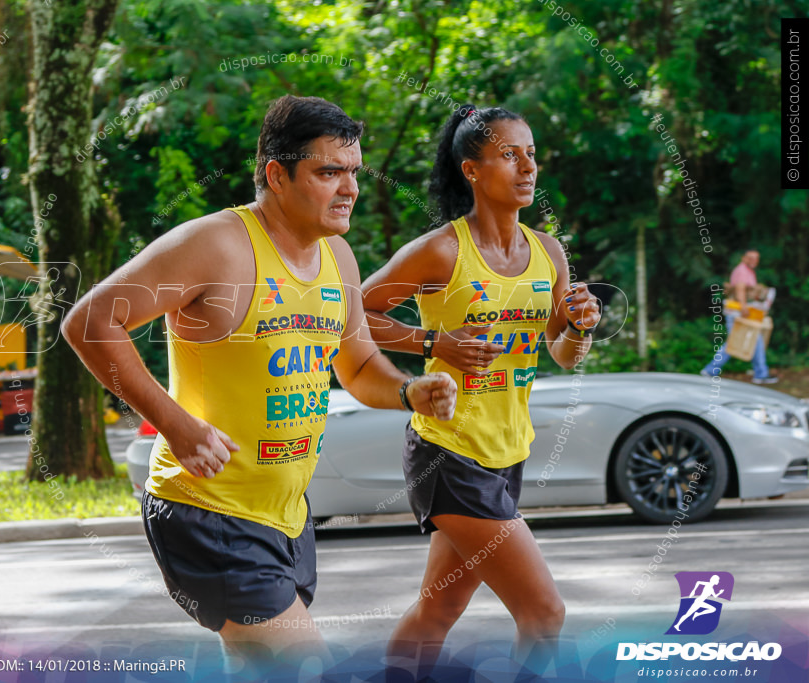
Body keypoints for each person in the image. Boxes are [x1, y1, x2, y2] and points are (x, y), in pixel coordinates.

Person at [60, 95, 457, 673]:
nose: (348, 188)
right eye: (328, 172)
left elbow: (359, 364)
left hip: (288, 517)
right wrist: (176, 425)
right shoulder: (217, 244)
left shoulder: (337, 259)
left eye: (353, 172)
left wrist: (407, 391)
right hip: (209, 509)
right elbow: (90, 321)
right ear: (276, 173)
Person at [361, 104, 601, 676]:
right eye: (509, 154)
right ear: (472, 170)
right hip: (448, 451)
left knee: (439, 608)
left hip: (506, 451)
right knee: (544, 613)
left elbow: (562, 354)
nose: (527, 167)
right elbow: (352, 312)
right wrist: (431, 340)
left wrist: (578, 327)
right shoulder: (442, 250)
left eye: (532, 154)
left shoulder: (548, 252)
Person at [701, 249, 778, 384]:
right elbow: (740, 289)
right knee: (734, 343)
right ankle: (710, 370)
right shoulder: (742, 270)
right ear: (744, 258)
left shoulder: (749, 271)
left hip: (743, 311)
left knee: (755, 340)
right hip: (738, 312)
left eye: (756, 258)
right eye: (751, 258)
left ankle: (761, 373)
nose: (754, 261)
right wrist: (743, 306)